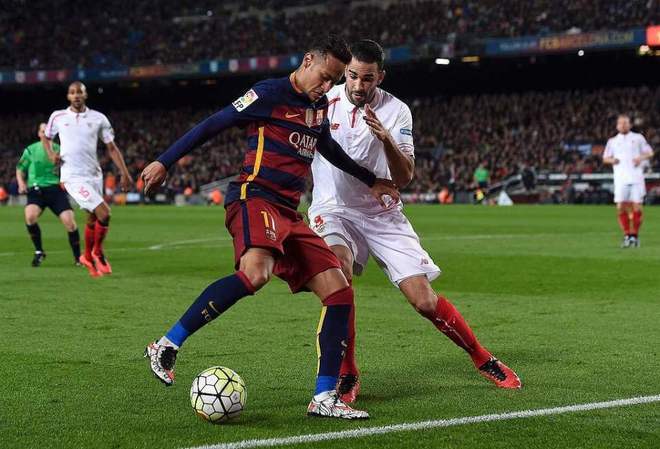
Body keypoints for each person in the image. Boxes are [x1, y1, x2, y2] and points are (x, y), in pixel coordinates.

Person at [141, 35, 399, 420]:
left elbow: (329, 149)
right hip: (255, 197)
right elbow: (214, 123)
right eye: (325, 77)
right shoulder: (268, 94)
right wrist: (164, 161)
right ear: (308, 60)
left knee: (339, 291)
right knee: (255, 273)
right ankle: (166, 345)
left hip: (289, 213)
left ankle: (324, 397)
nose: (327, 86)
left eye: (334, 81)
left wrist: (371, 179)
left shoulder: (318, 107)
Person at [308, 40, 521, 404]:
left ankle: (482, 357)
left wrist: (385, 139)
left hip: (381, 213)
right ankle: (347, 372)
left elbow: (404, 176)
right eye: (353, 76)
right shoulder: (322, 102)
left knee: (424, 301)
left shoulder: (397, 111)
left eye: (368, 78)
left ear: (381, 77)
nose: (358, 85)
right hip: (333, 208)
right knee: (338, 273)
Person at [41, 81, 134, 277]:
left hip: (94, 174)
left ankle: (86, 257)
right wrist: (50, 154)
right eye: (72, 92)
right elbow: (46, 137)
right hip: (72, 177)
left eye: (79, 92)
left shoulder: (98, 118)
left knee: (92, 217)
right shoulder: (58, 116)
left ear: (85, 95)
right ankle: (97, 253)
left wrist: (124, 173)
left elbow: (111, 148)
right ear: (68, 96)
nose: (76, 95)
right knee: (104, 213)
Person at [16, 123, 81, 267]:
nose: (45, 133)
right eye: (42, 131)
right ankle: (39, 251)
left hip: (55, 190)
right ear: (39, 134)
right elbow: (20, 168)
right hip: (36, 191)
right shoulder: (31, 150)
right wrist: (21, 183)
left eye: (48, 131)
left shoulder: (60, 149)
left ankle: (78, 258)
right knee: (30, 217)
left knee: (70, 222)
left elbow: (70, 168)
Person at [602, 114, 654, 248]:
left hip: (636, 178)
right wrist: (612, 160)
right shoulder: (612, 141)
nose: (623, 125)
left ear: (630, 125)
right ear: (617, 126)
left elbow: (650, 152)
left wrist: (640, 158)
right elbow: (605, 158)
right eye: (620, 123)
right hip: (620, 179)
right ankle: (627, 235)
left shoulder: (638, 138)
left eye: (625, 123)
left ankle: (634, 236)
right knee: (620, 207)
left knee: (637, 206)